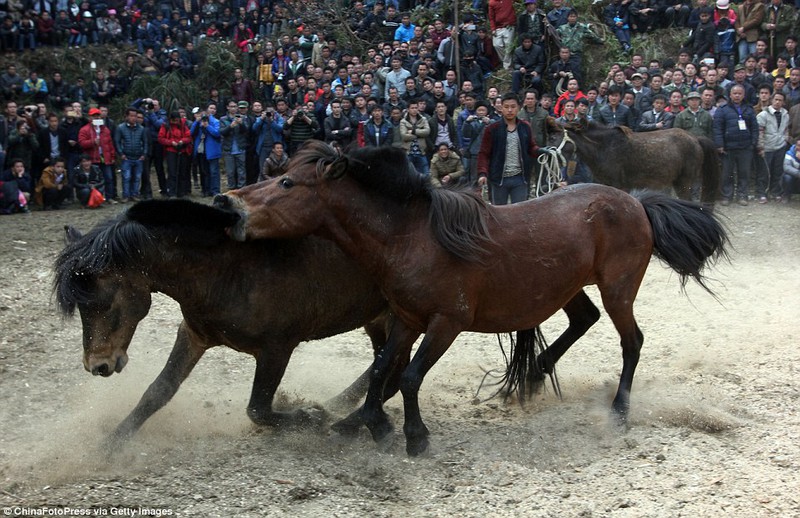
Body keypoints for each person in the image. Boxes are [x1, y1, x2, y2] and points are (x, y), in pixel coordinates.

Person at [477, 92, 540, 205]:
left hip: (520, 178)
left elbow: (531, 147)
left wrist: (541, 151)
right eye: (506, 107)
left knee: (520, 210)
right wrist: (482, 173)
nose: (510, 110)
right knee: (499, 211)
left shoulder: (525, 127)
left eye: (513, 107)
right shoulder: (492, 129)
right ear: (501, 108)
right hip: (499, 179)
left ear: (519, 108)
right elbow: (484, 153)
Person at [714, 83, 759, 205]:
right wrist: (719, 145)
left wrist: (753, 143)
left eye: (740, 93)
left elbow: (755, 128)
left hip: (745, 147)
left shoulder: (749, 109)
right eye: (735, 93)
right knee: (727, 174)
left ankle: (742, 196)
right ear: (730, 95)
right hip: (728, 148)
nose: (737, 96)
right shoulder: (722, 110)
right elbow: (717, 129)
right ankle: (726, 196)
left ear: (743, 95)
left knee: (744, 173)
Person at [78, 107, 117, 203]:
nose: (96, 117)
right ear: (90, 117)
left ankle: (109, 197)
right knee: (94, 180)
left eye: (97, 116)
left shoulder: (105, 129)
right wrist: (92, 142)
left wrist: (112, 156)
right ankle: (95, 198)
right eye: (94, 116)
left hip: (105, 158)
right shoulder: (84, 129)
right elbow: (81, 143)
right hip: (92, 159)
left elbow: (110, 144)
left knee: (109, 178)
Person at [756, 91, 789, 203]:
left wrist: (785, 140)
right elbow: (759, 132)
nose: (777, 102)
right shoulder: (763, 115)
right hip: (767, 147)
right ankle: (762, 193)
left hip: (780, 147)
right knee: (764, 172)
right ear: (771, 100)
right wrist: (760, 147)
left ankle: (775, 192)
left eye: (780, 100)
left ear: (783, 102)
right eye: (776, 100)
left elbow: (786, 130)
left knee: (777, 171)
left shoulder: (785, 114)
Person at [115, 107, 149, 202]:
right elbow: (117, 141)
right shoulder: (120, 128)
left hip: (138, 157)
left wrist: (144, 154)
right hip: (126, 157)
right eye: (131, 116)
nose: (133, 118)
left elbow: (145, 142)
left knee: (137, 177)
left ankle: (135, 194)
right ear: (126, 116)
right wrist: (121, 153)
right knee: (126, 177)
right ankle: (126, 195)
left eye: (135, 116)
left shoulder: (141, 129)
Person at [190, 103, 223, 196]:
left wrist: (207, 126)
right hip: (201, 151)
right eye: (209, 108)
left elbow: (217, 133)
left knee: (214, 172)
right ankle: (205, 190)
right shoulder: (198, 122)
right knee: (204, 171)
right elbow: (191, 133)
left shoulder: (215, 121)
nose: (210, 111)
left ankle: (215, 190)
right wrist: (197, 122)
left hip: (212, 150)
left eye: (213, 109)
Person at [400, 102, 431, 176]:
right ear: (408, 109)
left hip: (421, 152)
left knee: (425, 174)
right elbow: (404, 136)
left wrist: (413, 131)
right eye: (412, 108)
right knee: (407, 175)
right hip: (409, 152)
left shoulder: (423, 119)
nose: (414, 110)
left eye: (416, 108)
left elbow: (427, 132)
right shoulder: (403, 121)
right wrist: (420, 134)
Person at [781, 137, 800, 201]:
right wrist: (798, 173)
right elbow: (786, 167)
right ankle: (786, 195)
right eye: (798, 145)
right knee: (787, 177)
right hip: (793, 175)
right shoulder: (789, 153)